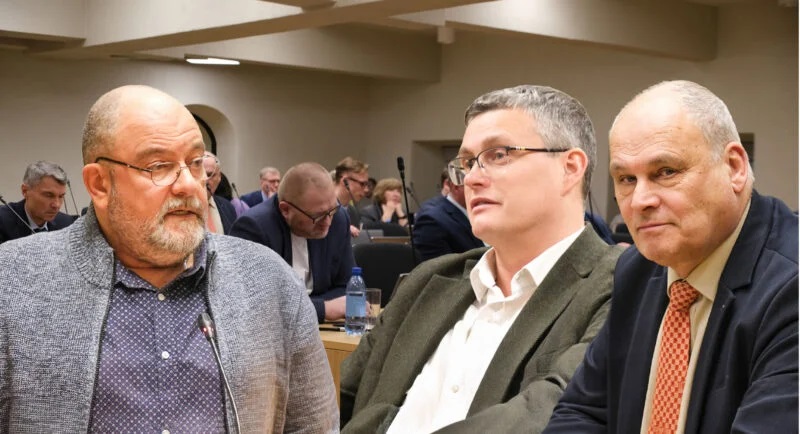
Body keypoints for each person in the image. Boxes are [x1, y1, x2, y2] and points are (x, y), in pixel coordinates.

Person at [0, 85, 338, 432]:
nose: (189, 185)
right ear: (99, 184)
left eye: (195, 163)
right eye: (159, 166)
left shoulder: (268, 281)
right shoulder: (11, 282)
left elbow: (314, 424)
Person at [340, 84, 623, 433]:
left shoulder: (619, 286)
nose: (471, 179)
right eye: (467, 163)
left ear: (570, 168)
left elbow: (554, 411)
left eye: (498, 155)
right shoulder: (427, 280)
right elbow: (338, 396)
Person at [545, 81, 798, 433]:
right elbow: (581, 412)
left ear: (734, 167)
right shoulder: (636, 270)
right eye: (626, 179)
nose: (640, 201)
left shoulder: (790, 285)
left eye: (666, 172)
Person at [229, 162, 355, 323]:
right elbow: (256, 304)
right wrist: (323, 309)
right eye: (317, 216)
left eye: (332, 210)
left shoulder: (338, 218)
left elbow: (349, 288)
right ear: (285, 210)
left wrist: (309, 307)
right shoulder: (253, 228)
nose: (328, 222)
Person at [412, 166, 484, 262]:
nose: (484, 190)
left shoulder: (482, 213)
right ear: (456, 187)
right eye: (476, 185)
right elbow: (439, 269)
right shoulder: (432, 221)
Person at [0, 160, 76, 244]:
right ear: (25, 191)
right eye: (48, 195)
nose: (56, 205)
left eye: (61, 196)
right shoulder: (2, 220)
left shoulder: (66, 223)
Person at [333, 156, 370, 238]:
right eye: (362, 184)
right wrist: (341, 227)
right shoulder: (322, 206)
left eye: (367, 184)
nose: (366, 190)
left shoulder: (353, 212)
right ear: (345, 181)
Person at [202, 151, 237, 234]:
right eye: (199, 174)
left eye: (210, 175)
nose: (205, 180)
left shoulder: (227, 207)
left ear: (219, 177)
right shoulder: (181, 209)